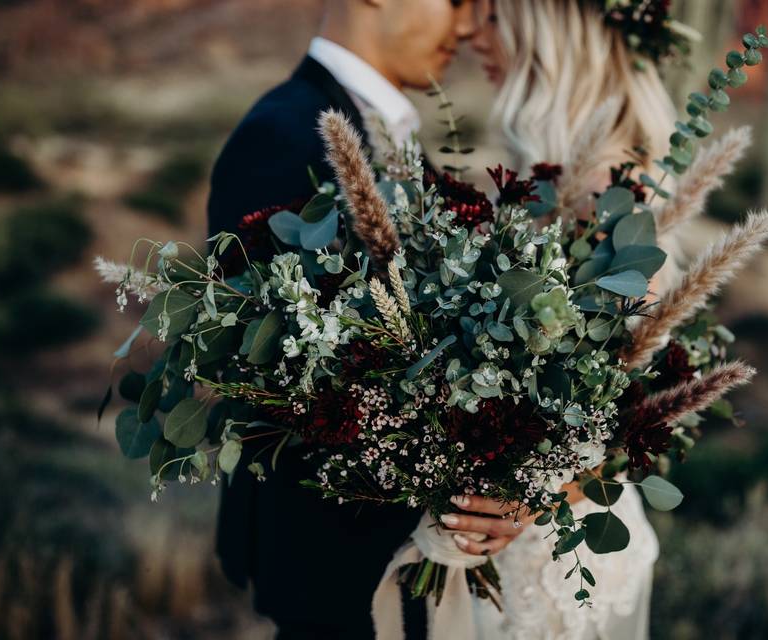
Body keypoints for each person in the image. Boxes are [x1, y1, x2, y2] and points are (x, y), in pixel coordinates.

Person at [206, 2, 529, 638]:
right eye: (458, 3)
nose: (467, 28)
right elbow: (289, 378)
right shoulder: (282, 132)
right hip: (336, 570)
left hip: (405, 567)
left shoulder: (390, 129)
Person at [460, 1, 685, 638]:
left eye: (496, 15)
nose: (476, 35)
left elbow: (624, 408)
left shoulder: (608, 191)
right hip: (514, 538)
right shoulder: (564, 180)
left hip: (553, 557)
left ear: (551, 30)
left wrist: (531, 500)